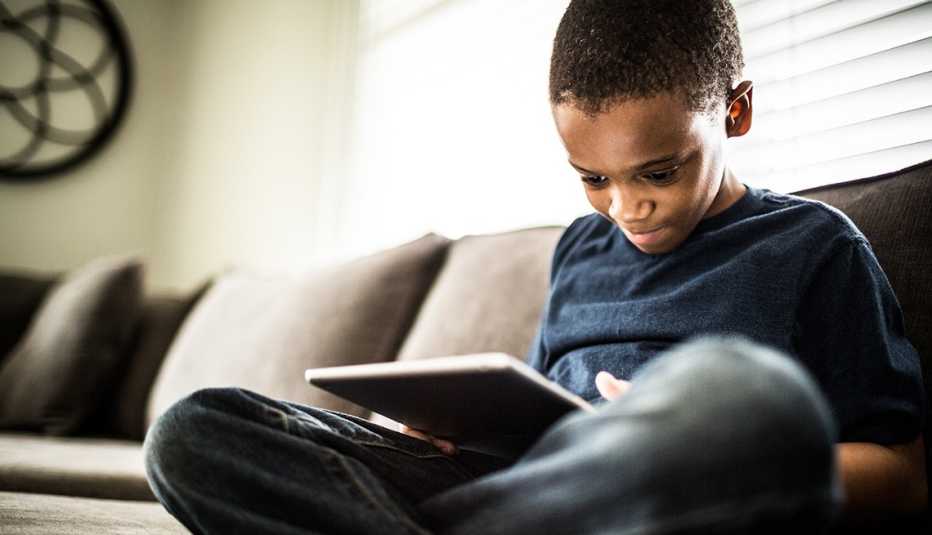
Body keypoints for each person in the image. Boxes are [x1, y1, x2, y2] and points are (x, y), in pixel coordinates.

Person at [143, 0, 927, 533]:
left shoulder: (815, 247)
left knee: (740, 395)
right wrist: (458, 423)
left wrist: (684, 439)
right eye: (593, 178)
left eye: (658, 172)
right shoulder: (578, 252)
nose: (625, 207)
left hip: (673, 494)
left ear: (737, 110)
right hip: (531, 490)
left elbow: (902, 474)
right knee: (196, 429)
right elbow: (536, 417)